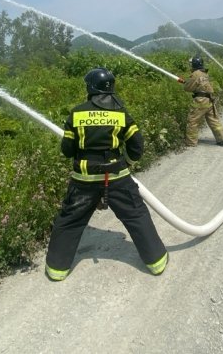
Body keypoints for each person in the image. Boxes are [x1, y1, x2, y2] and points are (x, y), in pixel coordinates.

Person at [45, 68, 168, 281]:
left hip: (84, 180)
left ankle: (57, 270)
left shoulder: (76, 113)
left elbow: (66, 150)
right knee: (137, 215)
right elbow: (137, 145)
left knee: (69, 221)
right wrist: (127, 162)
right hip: (117, 176)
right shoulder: (121, 114)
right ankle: (157, 262)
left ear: (90, 87)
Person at [183, 55, 223, 147]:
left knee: (193, 121)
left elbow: (187, 88)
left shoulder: (195, 74)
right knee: (214, 120)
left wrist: (186, 83)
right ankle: (221, 139)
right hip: (209, 100)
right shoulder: (204, 74)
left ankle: (191, 142)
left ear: (194, 64)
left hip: (200, 101)